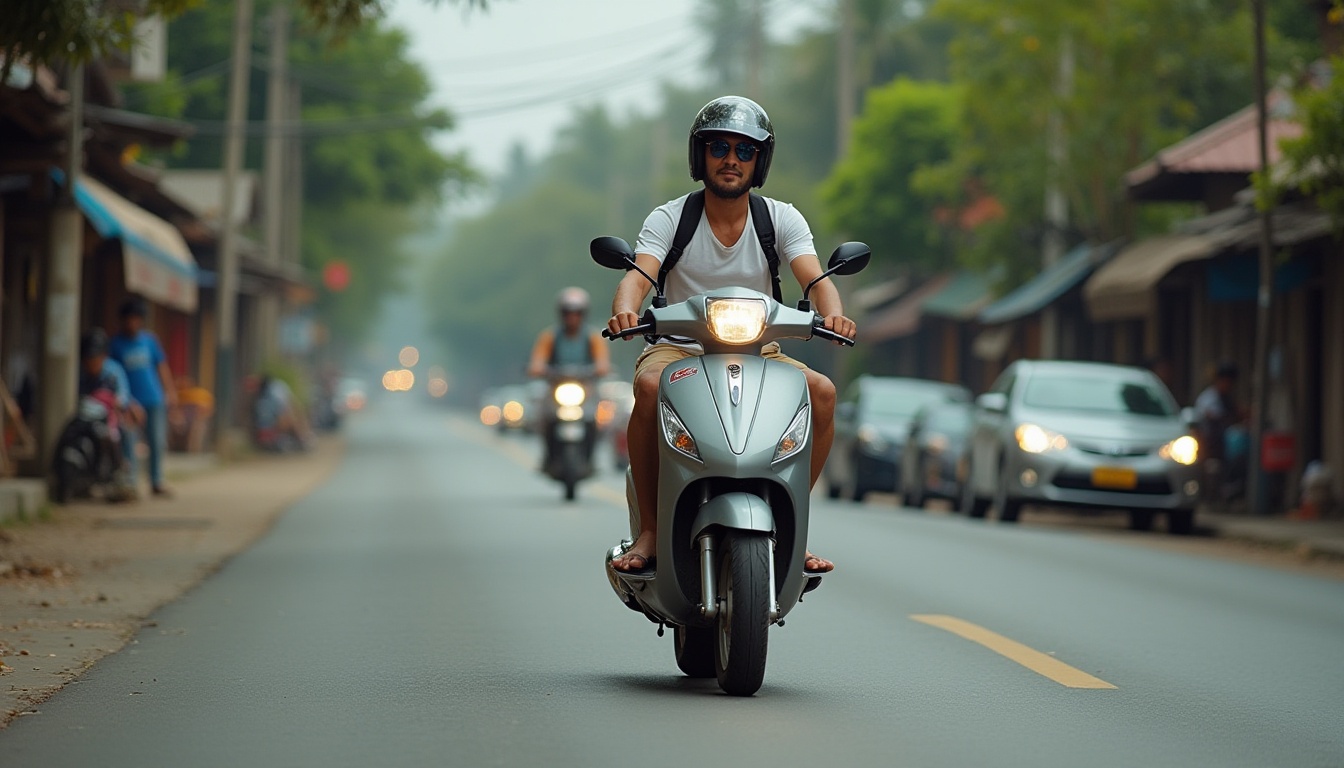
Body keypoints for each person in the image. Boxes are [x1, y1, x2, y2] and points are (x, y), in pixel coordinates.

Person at [606, 95, 856, 574]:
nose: (731, 160)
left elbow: (815, 278)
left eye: (745, 151)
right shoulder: (670, 218)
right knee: (647, 387)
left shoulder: (780, 218)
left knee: (821, 393)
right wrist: (624, 311)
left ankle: (790, 521)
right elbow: (638, 277)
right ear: (699, 156)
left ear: (760, 162)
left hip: (759, 351)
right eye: (719, 147)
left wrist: (834, 316)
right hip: (676, 351)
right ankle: (652, 530)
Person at [527, 287, 612, 474]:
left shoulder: (593, 337)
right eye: (567, 312)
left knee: (596, 419)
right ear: (561, 314)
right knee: (544, 417)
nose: (572, 317)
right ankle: (548, 457)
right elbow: (537, 363)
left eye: (577, 313)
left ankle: (590, 459)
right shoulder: (549, 336)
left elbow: (603, 363)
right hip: (556, 388)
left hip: (585, 389)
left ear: (584, 314)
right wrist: (538, 368)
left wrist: (600, 369)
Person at [107, 297, 176, 497]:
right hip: (130, 402)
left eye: (136, 319)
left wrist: (169, 391)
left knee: (156, 440)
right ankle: (131, 483)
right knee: (129, 442)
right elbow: (114, 375)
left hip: (154, 399)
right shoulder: (116, 344)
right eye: (128, 319)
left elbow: (161, 367)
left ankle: (156, 481)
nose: (132, 323)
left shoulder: (150, 341)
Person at [1195, 361, 1247, 503]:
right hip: (1210, 447)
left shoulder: (1228, 398)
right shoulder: (1209, 398)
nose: (1228, 385)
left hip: (1226, 446)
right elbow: (1214, 417)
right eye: (1225, 381)